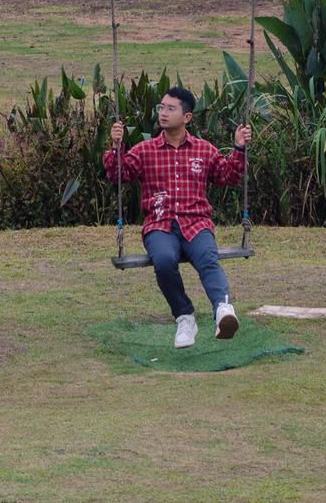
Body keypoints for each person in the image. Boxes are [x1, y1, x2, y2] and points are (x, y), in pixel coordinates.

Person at [104, 86, 252, 350]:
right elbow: (119, 175)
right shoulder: (145, 150)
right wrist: (116, 146)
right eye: (161, 107)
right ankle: (185, 317)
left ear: (187, 117)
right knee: (163, 260)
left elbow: (228, 176)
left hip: (196, 222)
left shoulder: (204, 150)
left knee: (208, 258)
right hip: (160, 224)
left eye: (170, 108)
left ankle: (223, 310)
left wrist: (239, 148)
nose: (163, 112)